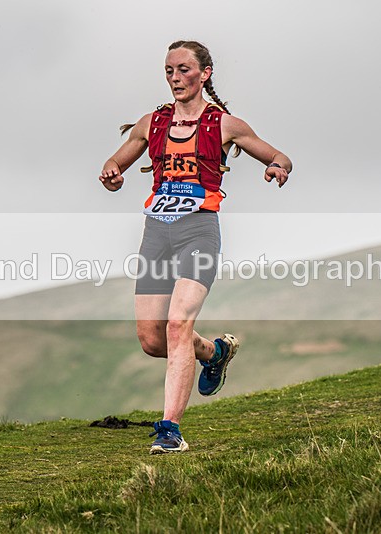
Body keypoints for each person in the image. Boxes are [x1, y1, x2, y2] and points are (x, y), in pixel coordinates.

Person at [99, 40, 292, 454]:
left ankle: (170, 430)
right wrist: (112, 174)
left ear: (204, 74)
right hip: (157, 233)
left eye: (184, 69)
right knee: (152, 339)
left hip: (198, 232)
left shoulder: (225, 125)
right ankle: (215, 351)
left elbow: (278, 155)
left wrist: (277, 167)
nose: (175, 78)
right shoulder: (151, 123)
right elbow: (115, 164)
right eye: (169, 70)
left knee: (177, 324)